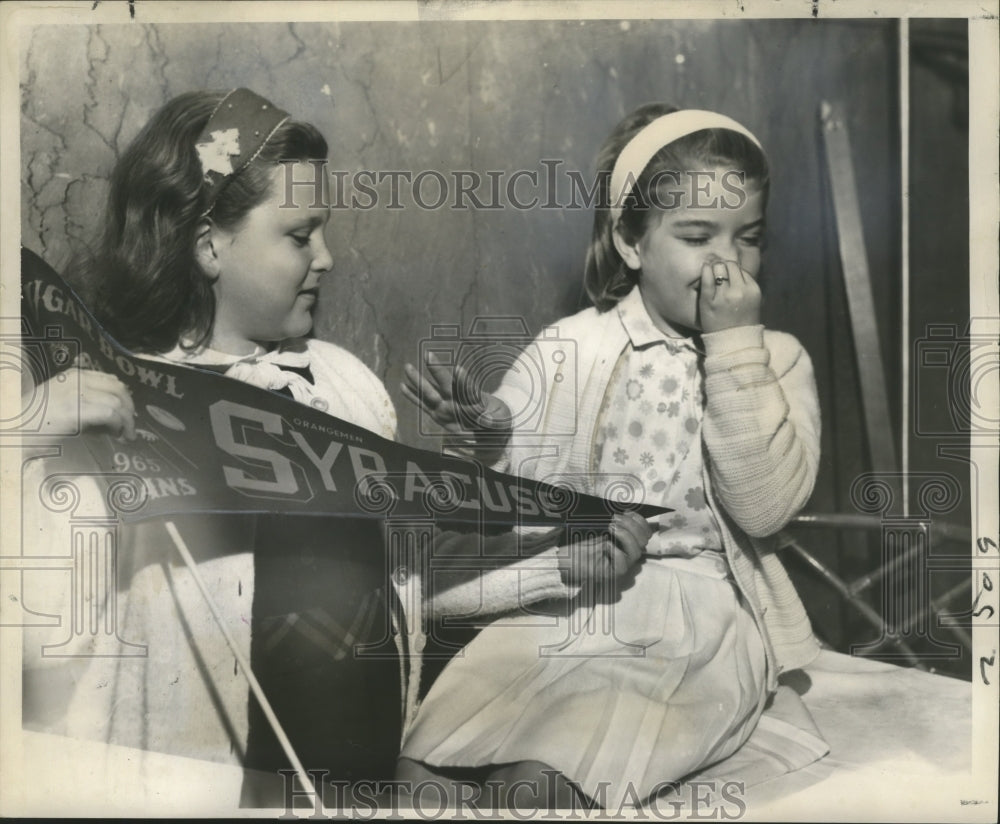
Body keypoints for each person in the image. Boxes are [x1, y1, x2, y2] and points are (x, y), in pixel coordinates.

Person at [398, 103, 828, 810]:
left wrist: (734, 347)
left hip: (700, 622)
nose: (727, 263)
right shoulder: (573, 346)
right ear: (631, 241)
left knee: (536, 787)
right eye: (697, 236)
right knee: (420, 777)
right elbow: (506, 499)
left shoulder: (773, 358)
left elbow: (764, 505)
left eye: (747, 238)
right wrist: (488, 435)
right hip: (568, 598)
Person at [19, 88, 402, 799]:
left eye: (324, 231)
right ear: (208, 246)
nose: (328, 257)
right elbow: (41, 644)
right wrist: (25, 449)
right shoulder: (111, 413)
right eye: (299, 234)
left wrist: (562, 567)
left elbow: (403, 585)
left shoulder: (347, 389)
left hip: (355, 788)